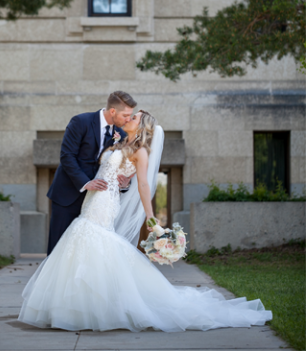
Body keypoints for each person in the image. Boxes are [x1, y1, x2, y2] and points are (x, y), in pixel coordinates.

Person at [19, 111, 273, 332]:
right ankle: (83, 308)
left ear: (143, 126)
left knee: (90, 237)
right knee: (86, 239)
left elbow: (143, 184)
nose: (129, 117)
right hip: (94, 197)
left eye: (135, 116)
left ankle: (98, 308)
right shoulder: (117, 141)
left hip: (105, 202)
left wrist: (152, 219)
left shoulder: (140, 151)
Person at [45, 91, 136, 255]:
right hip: (69, 195)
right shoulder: (80, 121)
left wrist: (124, 184)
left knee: (87, 252)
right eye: (125, 115)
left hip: (96, 204)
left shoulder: (121, 135)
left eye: (130, 116)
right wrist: (86, 183)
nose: (128, 119)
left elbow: (117, 167)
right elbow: (67, 156)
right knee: (58, 250)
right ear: (113, 111)